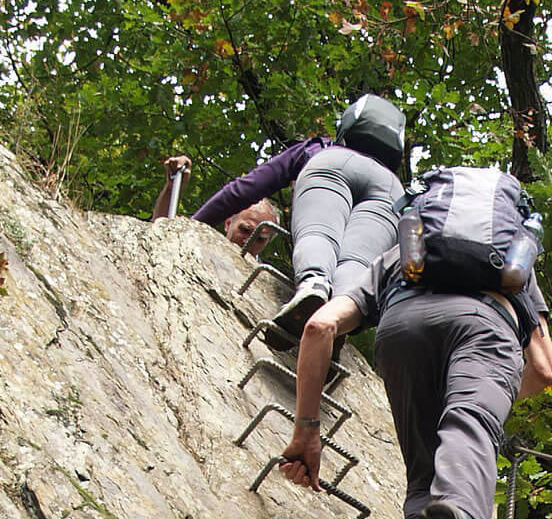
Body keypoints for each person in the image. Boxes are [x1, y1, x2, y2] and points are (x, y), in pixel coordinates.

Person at [277, 244, 552, 519]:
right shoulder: (513, 253)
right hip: (485, 325)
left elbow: (319, 326)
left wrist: (307, 430)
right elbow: (544, 368)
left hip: (402, 325)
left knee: (424, 468)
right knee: (469, 427)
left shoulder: (403, 250)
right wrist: (491, 397)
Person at [164, 96, 407, 349]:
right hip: (389, 194)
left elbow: (245, 189)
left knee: (319, 233)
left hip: (332, 165)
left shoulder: (318, 148)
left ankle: (314, 283)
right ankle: (339, 311)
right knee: (357, 263)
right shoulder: (397, 188)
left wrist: (191, 225)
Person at [151, 155, 279, 256]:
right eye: (245, 230)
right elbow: (161, 236)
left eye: (260, 239)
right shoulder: (200, 247)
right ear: (228, 223)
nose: (248, 242)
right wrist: (172, 188)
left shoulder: (263, 281)